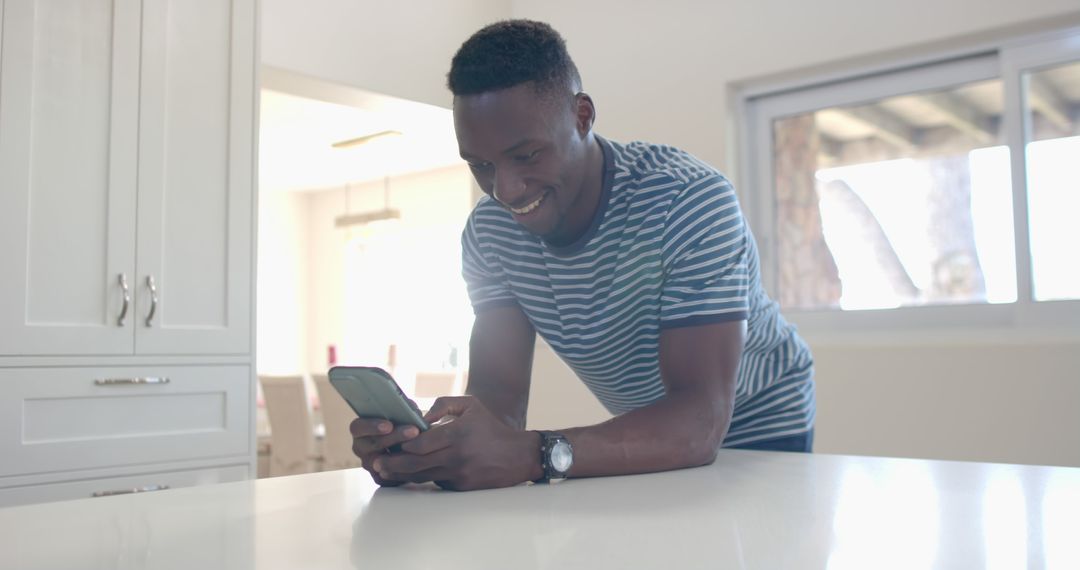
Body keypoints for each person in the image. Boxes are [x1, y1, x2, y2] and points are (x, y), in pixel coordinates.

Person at [350, 19, 815, 491]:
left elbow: (698, 422)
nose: (505, 190)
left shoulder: (687, 202)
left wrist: (535, 453)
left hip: (757, 417)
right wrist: (435, 451)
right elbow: (498, 402)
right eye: (481, 165)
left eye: (527, 155)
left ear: (583, 116)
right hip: (658, 425)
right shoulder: (491, 234)